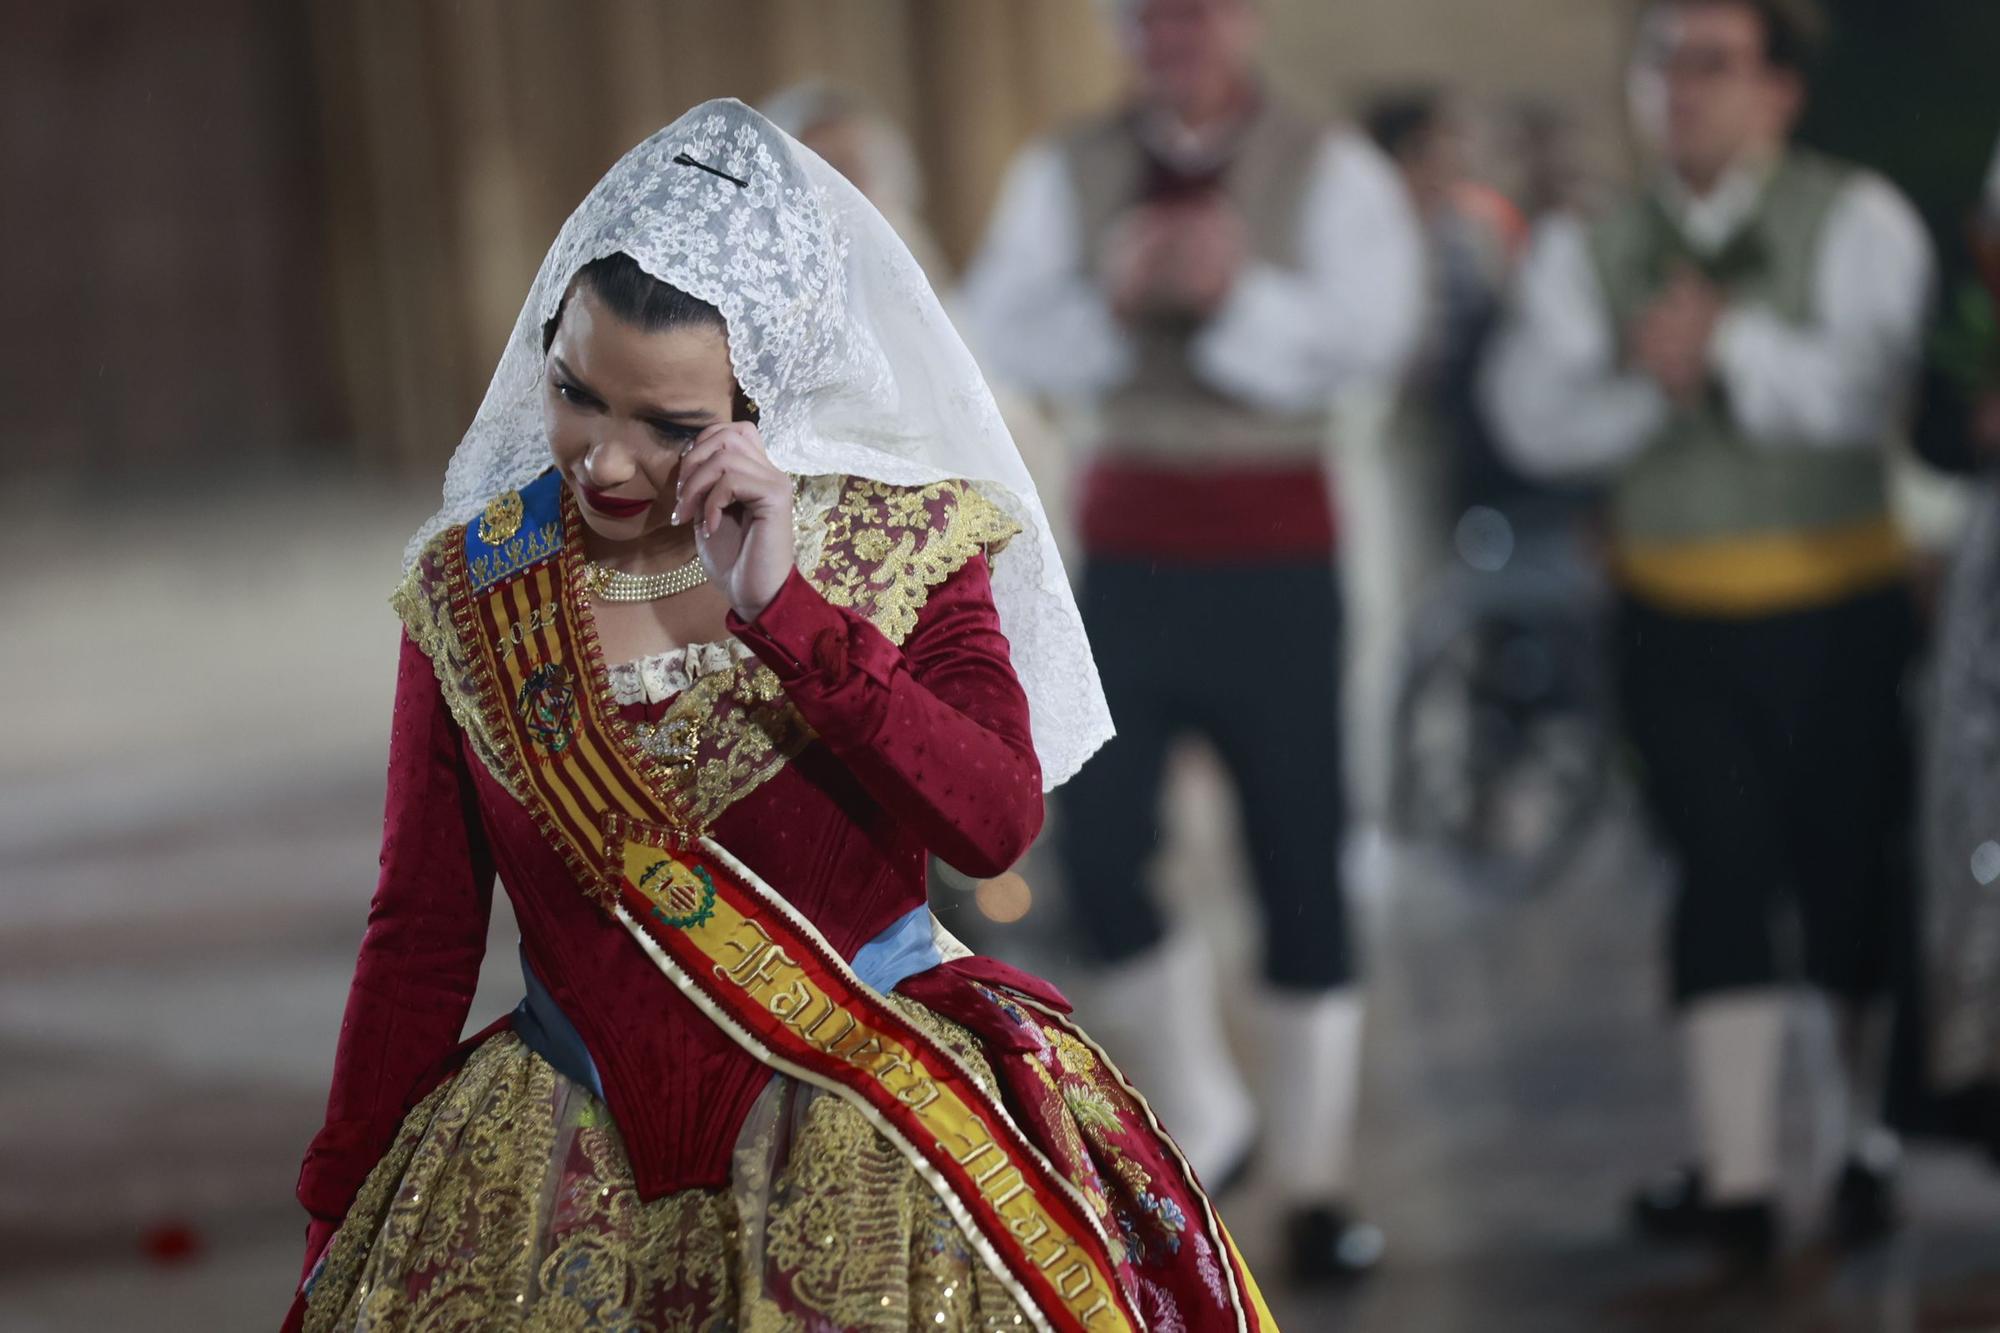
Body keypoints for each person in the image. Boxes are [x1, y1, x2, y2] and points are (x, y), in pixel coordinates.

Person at [285, 99, 1277, 1332]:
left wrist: (791, 612)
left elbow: (994, 825)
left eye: (672, 426)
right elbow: (422, 931)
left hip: (868, 1118)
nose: (604, 462)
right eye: (577, 394)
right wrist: (341, 1204)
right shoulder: (474, 588)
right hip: (555, 1150)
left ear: (769, 395)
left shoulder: (900, 542)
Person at [960, 0, 1424, 1285]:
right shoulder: (1065, 167)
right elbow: (997, 324)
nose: (1175, 31)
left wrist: (1234, 297)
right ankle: (1209, 1112)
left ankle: (1319, 1176)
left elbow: (1372, 336)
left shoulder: (1325, 164)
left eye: (1199, 8)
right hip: (1128, 556)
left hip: (1282, 557)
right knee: (1097, 848)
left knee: (1299, 850)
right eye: (1148, 13)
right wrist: (1112, 299)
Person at [1482, 0, 1935, 1272]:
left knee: (1844, 870)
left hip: (1837, 603)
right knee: (1717, 869)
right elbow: (1532, 416)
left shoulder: (1853, 219)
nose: (1680, 92)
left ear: (1780, 91)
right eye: (1660, 66)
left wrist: (1725, 344)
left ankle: (1860, 1145)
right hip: (1673, 611)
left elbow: (1866, 389)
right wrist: (1645, 380)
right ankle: (1735, 1173)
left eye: (1711, 65)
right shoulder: (1595, 246)